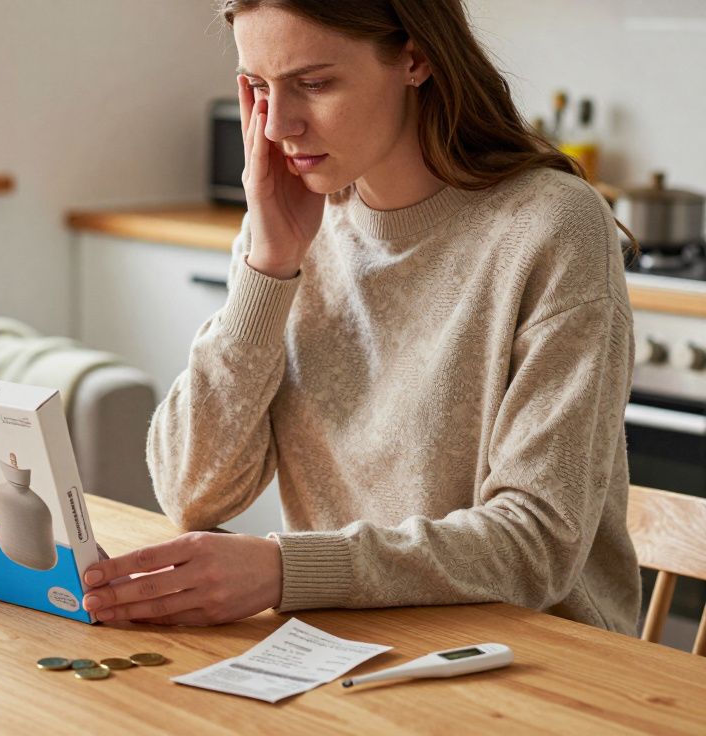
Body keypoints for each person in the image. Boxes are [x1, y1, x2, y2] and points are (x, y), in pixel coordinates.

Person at [81, 0, 641, 635]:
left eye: (314, 84)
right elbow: (192, 490)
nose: (277, 127)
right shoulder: (288, 222)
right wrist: (269, 266)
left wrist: (283, 570)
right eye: (259, 88)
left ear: (416, 57)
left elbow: (535, 545)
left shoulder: (551, 227)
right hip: (349, 642)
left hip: (542, 661)